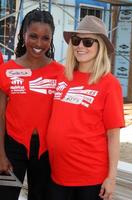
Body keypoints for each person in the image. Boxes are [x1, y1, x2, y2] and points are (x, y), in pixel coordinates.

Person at [46, 15, 125, 200]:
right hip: (57, 174)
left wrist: (111, 177)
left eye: (88, 42)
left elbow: (113, 135)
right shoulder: (63, 77)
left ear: (100, 47)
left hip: (89, 178)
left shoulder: (109, 84)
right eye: (76, 40)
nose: (80, 46)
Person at [0, 9, 63, 200]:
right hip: (12, 149)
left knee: (40, 196)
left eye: (45, 38)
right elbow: (0, 115)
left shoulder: (61, 73)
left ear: (51, 39)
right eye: (33, 36)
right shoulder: (6, 70)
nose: (38, 43)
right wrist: (1, 155)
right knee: (5, 196)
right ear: (23, 34)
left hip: (47, 152)